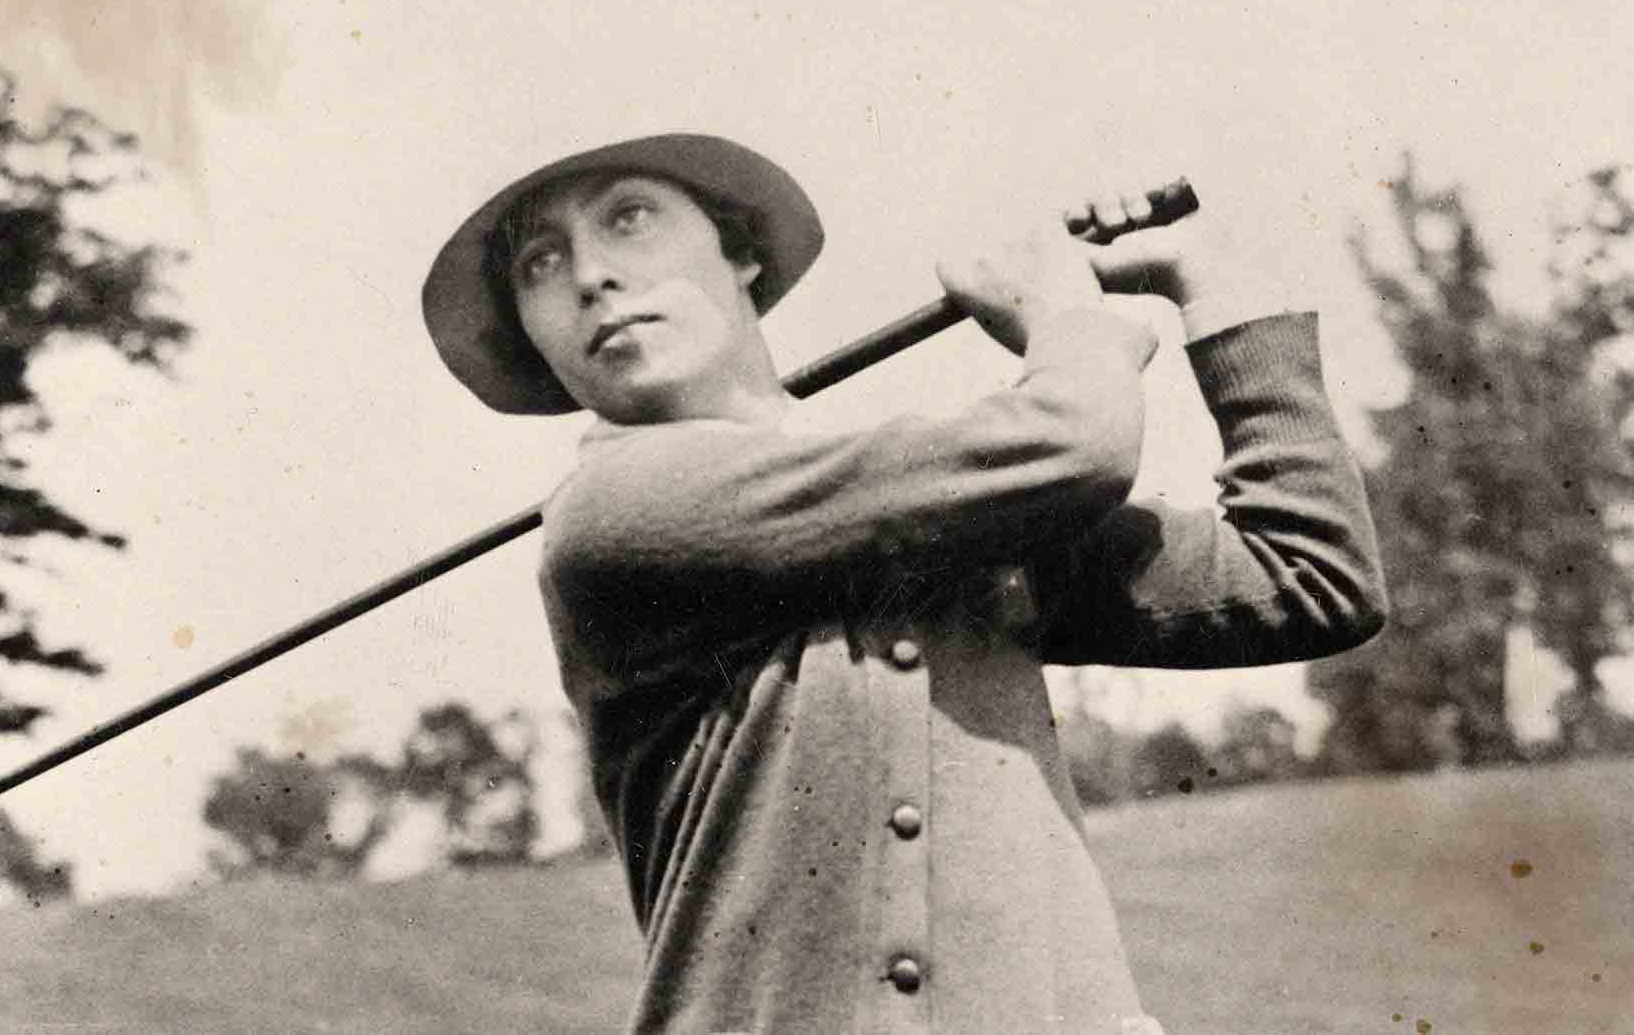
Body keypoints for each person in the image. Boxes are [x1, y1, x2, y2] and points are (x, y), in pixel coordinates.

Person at [420, 134, 1386, 1034]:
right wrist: (1065, 317)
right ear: (534, 335)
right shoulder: (613, 510)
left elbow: (1310, 578)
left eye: (629, 218)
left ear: (741, 253)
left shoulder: (940, 507)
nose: (591, 275)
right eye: (540, 262)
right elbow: (1079, 441)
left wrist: (1211, 284)